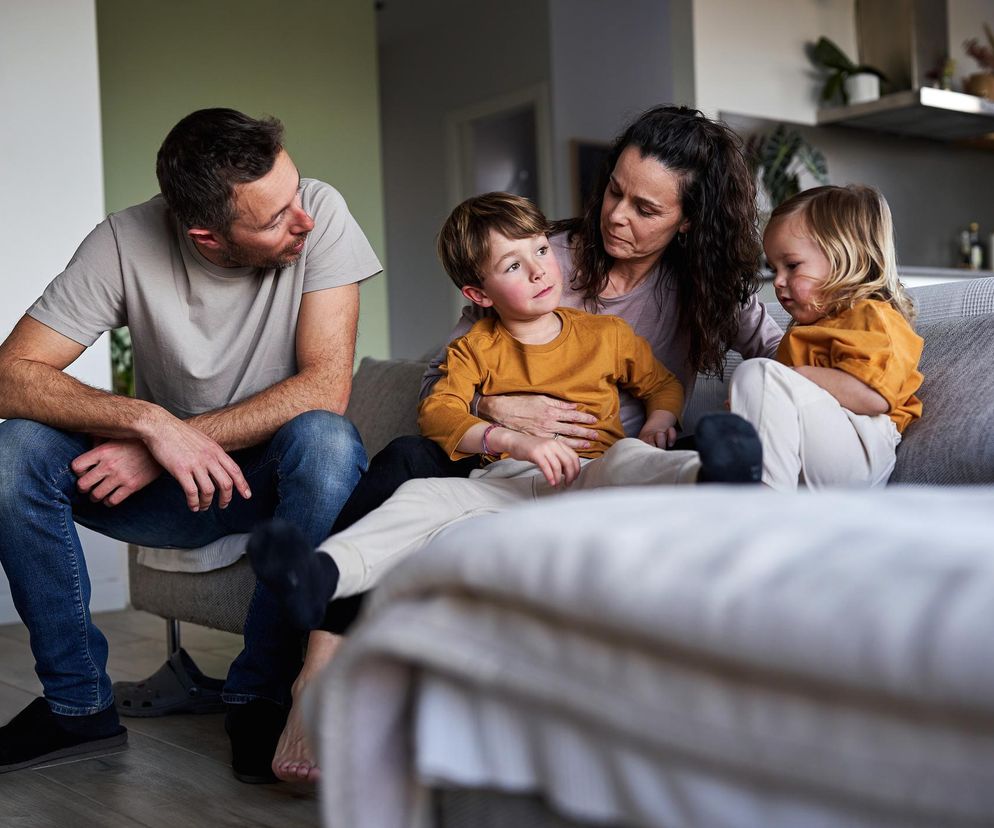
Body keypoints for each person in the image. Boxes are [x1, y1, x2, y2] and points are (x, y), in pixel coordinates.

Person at [260, 104, 786, 782]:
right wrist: (497, 412)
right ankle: (316, 676)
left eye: (646, 209)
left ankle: (711, 481)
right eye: (613, 190)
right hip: (502, 462)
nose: (616, 215)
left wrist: (865, 329)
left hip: (611, 464)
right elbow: (440, 383)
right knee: (407, 468)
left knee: (657, 457)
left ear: (689, 220)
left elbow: (783, 348)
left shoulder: (706, 287)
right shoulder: (545, 252)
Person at [0, 108, 381, 783]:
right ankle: (77, 705)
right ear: (207, 236)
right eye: (272, 219)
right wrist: (148, 422)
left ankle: (258, 695)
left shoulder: (319, 211)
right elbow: (9, 377)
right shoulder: (123, 242)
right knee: (14, 451)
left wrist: (172, 439)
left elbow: (326, 387)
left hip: (270, 475)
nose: (303, 220)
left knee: (326, 441)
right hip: (162, 493)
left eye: (293, 194)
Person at [247, 191, 762, 632]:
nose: (540, 269)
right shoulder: (474, 348)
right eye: (513, 265)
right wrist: (510, 440)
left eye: (541, 249)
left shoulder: (605, 335)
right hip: (506, 481)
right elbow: (438, 413)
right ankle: (320, 575)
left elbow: (662, 384)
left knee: (632, 457)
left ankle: (716, 473)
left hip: (589, 474)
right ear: (479, 294)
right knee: (421, 496)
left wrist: (659, 420)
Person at [729, 185, 923, 490]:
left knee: (759, 374)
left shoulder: (874, 317)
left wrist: (793, 377)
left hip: (861, 446)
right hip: (817, 452)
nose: (778, 282)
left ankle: (763, 507)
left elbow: (873, 398)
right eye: (773, 268)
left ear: (845, 257)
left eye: (791, 266)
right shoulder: (803, 332)